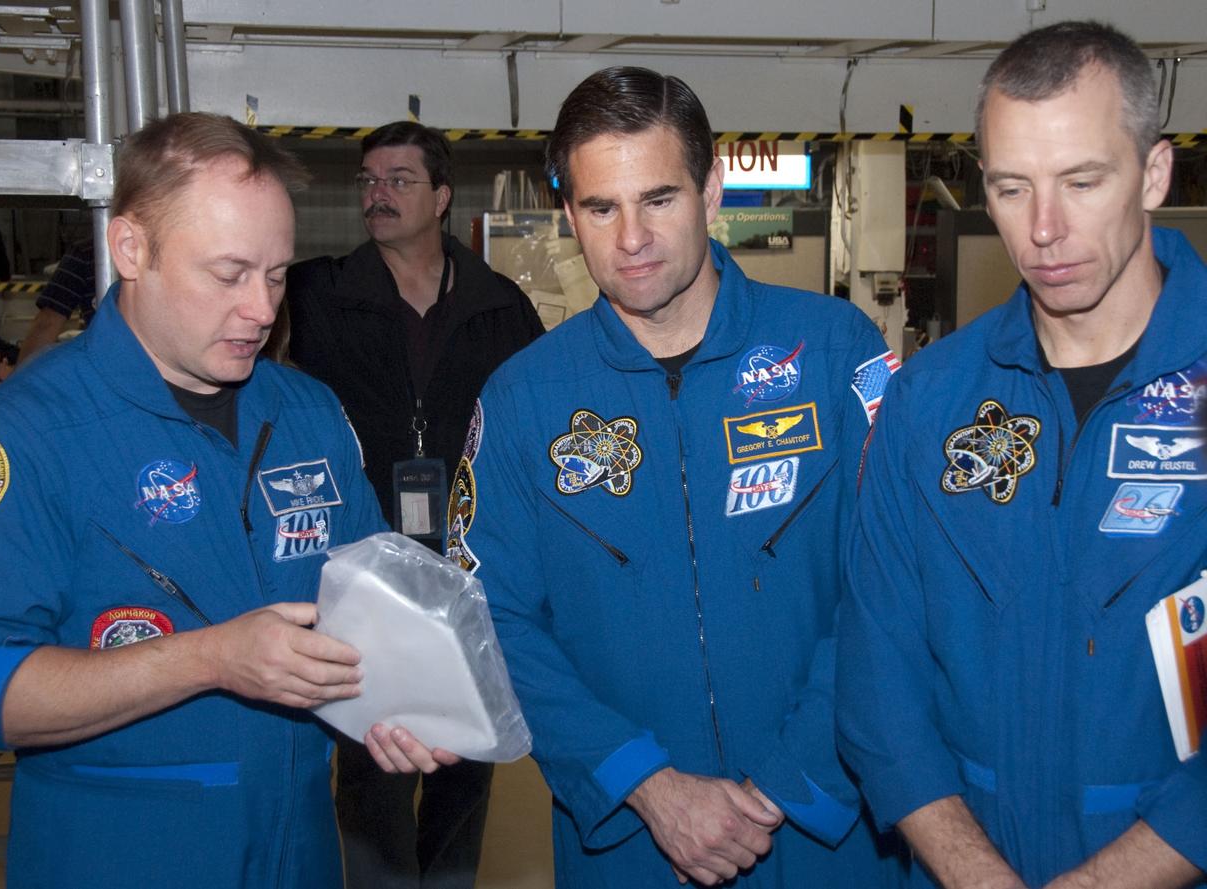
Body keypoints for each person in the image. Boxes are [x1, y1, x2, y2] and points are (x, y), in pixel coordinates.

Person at [0, 112, 455, 889]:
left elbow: (366, 601)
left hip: (298, 852)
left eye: (277, 275)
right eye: (229, 273)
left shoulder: (307, 413)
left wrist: (396, 694)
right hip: (117, 859)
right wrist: (209, 659)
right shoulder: (24, 435)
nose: (262, 309)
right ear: (132, 248)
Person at [444, 66, 906, 888]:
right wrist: (645, 784)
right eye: (600, 207)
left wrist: (787, 783)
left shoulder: (837, 354)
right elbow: (492, 618)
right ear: (568, 214)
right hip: (629, 841)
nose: (631, 238)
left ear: (712, 190)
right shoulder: (524, 399)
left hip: (832, 827)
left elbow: (895, 584)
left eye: (659, 198)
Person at [837, 20, 1206, 889]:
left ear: (1153, 175)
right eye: (1011, 188)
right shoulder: (931, 401)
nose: (1043, 229)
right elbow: (877, 681)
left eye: (1082, 181)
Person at [287, 120, 543, 889]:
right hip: (365, 572)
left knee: (465, 767)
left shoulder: (502, 307)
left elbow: (531, 437)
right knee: (374, 769)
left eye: (399, 180)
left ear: (440, 196)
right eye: (368, 180)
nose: (378, 194)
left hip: (471, 574)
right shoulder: (313, 295)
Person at [17, 239, 97, 365]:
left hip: (106, 369)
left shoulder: (85, 253)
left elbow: (47, 324)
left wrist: (19, 380)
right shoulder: (86, 253)